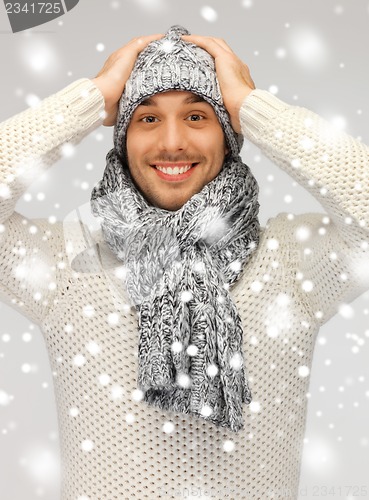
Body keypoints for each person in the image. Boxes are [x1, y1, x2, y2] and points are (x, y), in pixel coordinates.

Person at [0, 25, 368, 500]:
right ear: (122, 137)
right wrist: (91, 99)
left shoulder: (291, 260)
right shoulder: (66, 261)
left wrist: (253, 107)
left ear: (229, 132)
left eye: (197, 115)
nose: (172, 143)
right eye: (147, 119)